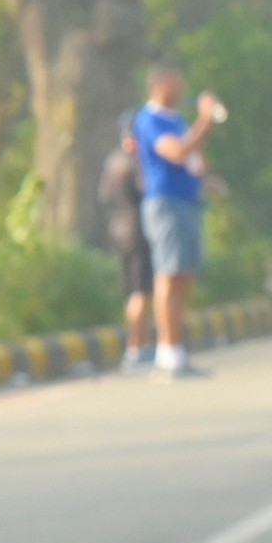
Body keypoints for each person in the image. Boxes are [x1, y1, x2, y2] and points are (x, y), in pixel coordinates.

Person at [134, 62, 225, 378]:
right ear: (159, 83)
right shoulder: (149, 119)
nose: (182, 87)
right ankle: (167, 352)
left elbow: (193, 162)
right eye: (176, 80)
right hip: (165, 203)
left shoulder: (177, 120)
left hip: (187, 201)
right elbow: (176, 153)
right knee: (169, 275)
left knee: (184, 276)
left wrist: (205, 181)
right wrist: (205, 121)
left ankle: (177, 350)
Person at [103, 113, 156, 363]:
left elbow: (104, 196)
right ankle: (137, 346)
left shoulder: (112, 160)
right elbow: (147, 191)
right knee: (141, 291)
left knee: (131, 291)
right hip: (139, 231)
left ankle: (135, 345)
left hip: (118, 230)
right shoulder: (138, 161)